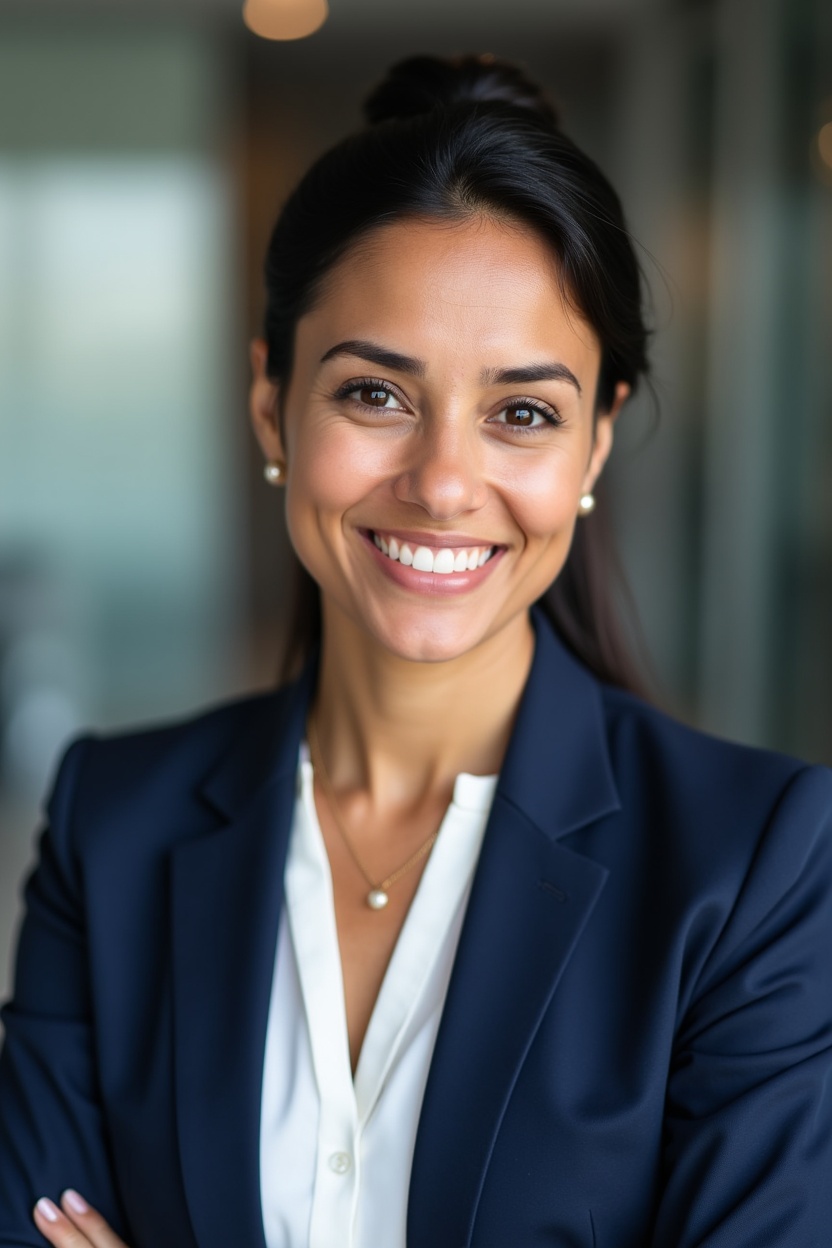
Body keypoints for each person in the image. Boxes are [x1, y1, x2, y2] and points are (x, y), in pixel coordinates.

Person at [1, 52, 831, 1248]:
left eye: (523, 413)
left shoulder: (749, 869)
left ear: (595, 446)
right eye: (375, 396)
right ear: (268, 406)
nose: (443, 482)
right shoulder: (111, 827)